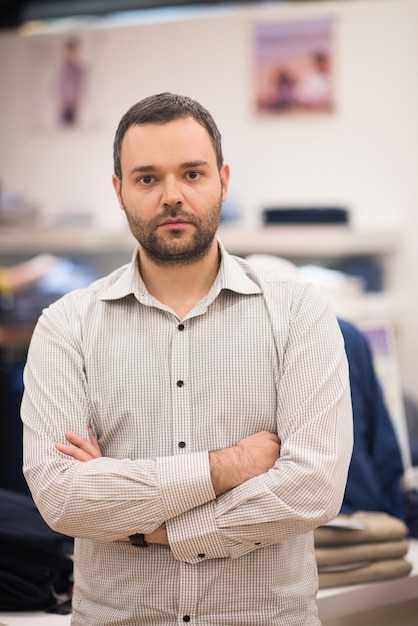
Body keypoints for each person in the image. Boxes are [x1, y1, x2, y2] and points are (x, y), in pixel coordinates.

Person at [21, 92, 353, 625]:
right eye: (147, 178)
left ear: (223, 180)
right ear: (119, 191)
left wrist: (154, 527)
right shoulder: (66, 326)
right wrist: (230, 466)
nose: (171, 196)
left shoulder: (299, 312)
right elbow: (62, 498)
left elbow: (311, 488)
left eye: (192, 174)